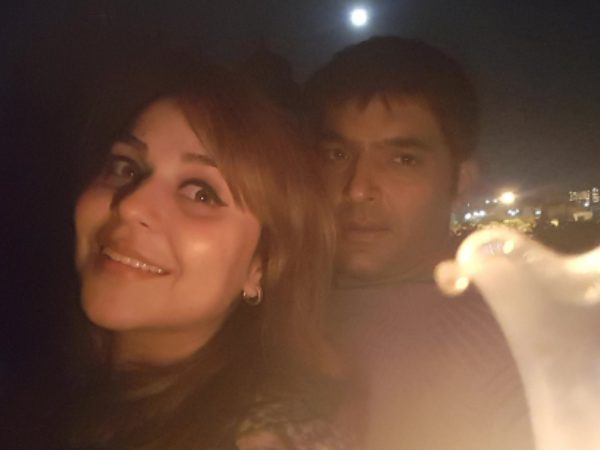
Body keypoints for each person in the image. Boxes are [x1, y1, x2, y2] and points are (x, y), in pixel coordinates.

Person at [2, 56, 349, 450]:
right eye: (125, 167)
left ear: (261, 265)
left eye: (201, 193)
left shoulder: (266, 438)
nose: (131, 206)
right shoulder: (42, 377)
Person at [304, 36, 535, 450]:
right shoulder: (273, 302)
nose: (358, 188)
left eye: (403, 159)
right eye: (336, 154)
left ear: (460, 182)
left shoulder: (511, 349)